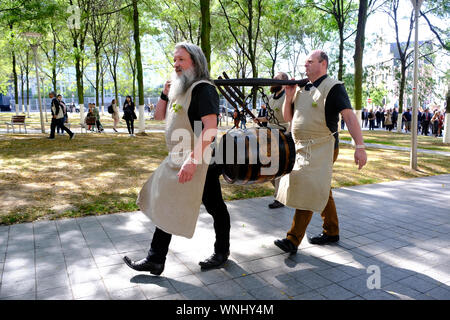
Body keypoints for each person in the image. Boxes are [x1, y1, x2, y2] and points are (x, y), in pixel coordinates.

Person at [123, 42, 231, 275]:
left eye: (181, 60)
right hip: (177, 158)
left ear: (196, 61)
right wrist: (164, 92)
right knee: (169, 202)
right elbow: (158, 116)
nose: (176, 64)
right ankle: (155, 259)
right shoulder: (180, 89)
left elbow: (210, 129)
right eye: (175, 60)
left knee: (215, 207)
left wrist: (192, 161)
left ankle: (221, 252)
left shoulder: (204, 89)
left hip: (201, 162)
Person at [273, 50, 367, 254]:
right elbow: (288, 117)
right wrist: (289, 97)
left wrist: (359, 147)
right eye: (305, 62)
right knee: (321, 186)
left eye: (310, 62)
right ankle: (332, 230)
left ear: (323, 64)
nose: (305, 65)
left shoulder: (333, 87)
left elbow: (350, 118)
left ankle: (293, 239)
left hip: (323, 147)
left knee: (308, 186)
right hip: (302, 148)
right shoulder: (302, 88)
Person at [258, 71, 291, 209]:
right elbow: (270, 118)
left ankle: (280, 198)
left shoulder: (288, 98)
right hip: (269, 134)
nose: (273, 81)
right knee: (266, 167)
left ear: (283, 83)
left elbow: (290, 118)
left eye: (276, 79)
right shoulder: (271, 98)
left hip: (282, 135)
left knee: (276, 167)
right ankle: (281, 193)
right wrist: (260, 119)